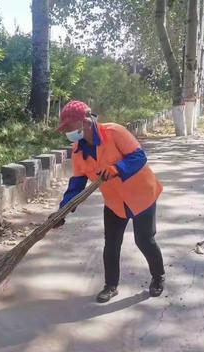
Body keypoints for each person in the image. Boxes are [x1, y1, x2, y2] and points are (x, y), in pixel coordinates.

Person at [54, 100, 165, 303]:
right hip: (115, 202)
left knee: (144, 240)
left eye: (69, 127)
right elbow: (76, 184)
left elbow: (139, 157)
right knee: (111, 244)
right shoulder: (78, 150)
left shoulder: (114, 132)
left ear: (84, 122)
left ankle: (158, 277)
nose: (67, 132)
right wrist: (63, 211)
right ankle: (111, 285)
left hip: (142, 195)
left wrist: (117, 168)